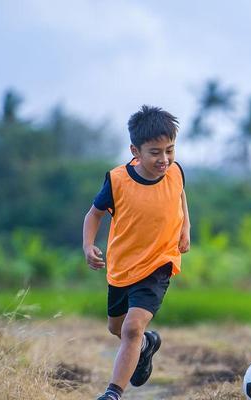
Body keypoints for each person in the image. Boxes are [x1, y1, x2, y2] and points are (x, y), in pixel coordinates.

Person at [82, 105, 191, 400]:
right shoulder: (118, 181)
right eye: (155, 152)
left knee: (131, 327)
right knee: (116, 328)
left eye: (170, 150)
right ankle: (145, 345)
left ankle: (113, 393)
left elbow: (179, 194)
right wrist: (88, 244)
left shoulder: (175, 171)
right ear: (135, 150)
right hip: (122, 267)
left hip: (159, 262)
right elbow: (94, 215)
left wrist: (186, 227)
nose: (164, 159)